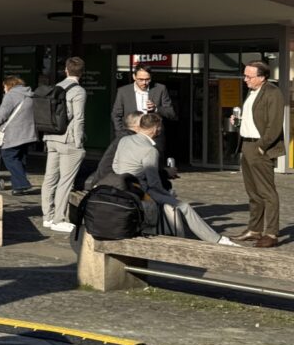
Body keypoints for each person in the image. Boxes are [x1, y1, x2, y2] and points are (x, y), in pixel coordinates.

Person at [114, 113, 236, 246]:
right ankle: (217, 239)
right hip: (141, 191)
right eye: (160, 128)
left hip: (122, 185)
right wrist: (169, 195)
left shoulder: (124, 140)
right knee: (184, 206)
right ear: (155, 128)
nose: (160, 131)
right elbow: (154, 183)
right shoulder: (150, 150)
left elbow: (115, 165)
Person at [234, 60, 284, 247]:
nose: (245, 79)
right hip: (246, 144)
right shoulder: (252, 91)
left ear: (262, 77)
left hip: (260, 146)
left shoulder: (273, 93)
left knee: (267, 192)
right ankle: (254, 230)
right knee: (253, 192)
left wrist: (262, 146)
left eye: (249, 76)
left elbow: (275, 124)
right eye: (245, 75)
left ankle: (271, 233)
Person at [40, 57, 87, 233]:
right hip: (68, 140)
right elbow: (79, 118)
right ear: (81, 73)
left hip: (51, 137)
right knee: (66, 181)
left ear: (66, 70)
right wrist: (79, 141)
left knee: (50, 178)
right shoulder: (79, 91)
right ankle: (59, 219)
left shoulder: (55, 87)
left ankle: (47, 216)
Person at [111, 65, 176, 160]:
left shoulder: (160, 89)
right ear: (134, 77)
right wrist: (121, 133)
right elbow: (116, 114)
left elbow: (171, 113)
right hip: (130, 136)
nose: (144, 83)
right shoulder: (123, 91)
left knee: (153, 166)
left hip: (153, 136)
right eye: (140, 79)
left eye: (147, 79)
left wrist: (156, 108)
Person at [0, 76, 36, 195]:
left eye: (4, 87)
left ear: (9, 85)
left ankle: (22, 183)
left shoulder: (10, 95)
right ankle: (18, 188)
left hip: (14, 134)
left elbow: (3, 114)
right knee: (20, 159)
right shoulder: (30, 95)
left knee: (8, 156)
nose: (4, 89)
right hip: (28, 133)